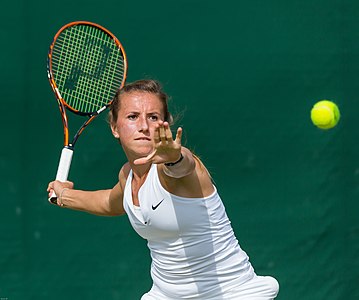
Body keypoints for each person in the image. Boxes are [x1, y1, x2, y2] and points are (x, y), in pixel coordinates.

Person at [47, 79, 279, 299]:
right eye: (132, 116)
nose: (144, 126)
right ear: (115, 127)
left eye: (153, 117)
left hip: (232, 294)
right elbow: (110, 202)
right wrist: (63, 195)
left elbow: (182, 165)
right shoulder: (127, 176)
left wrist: (173, 158)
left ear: (165, 123)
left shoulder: (180, 169)